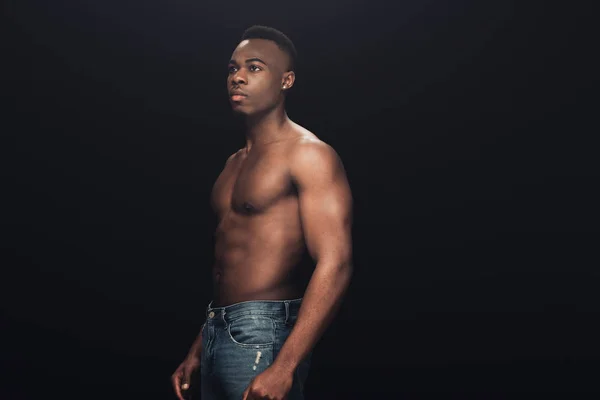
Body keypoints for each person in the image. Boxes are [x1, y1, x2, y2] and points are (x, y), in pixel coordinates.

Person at [171, 25, 353, 400]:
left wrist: (284, 366)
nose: (237, 77)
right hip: (216, 329)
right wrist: (198, 347)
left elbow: (336, 262)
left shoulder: (308, 154)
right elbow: (232, 264)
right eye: (232, 68)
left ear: (286, 80)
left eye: (254, 68)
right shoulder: (232, 164)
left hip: (265, 336)